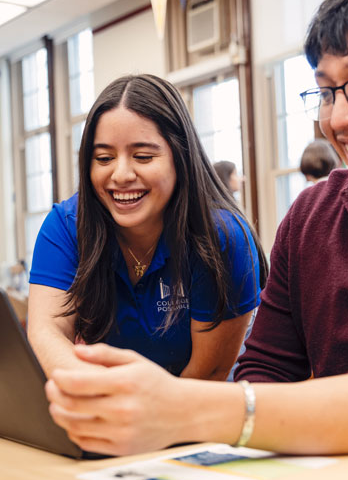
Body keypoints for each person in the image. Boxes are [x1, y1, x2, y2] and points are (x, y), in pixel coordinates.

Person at [44, 0, 348, 458]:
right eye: (327, 92)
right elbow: (264, 368)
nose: (338, 118)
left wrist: (182, 408)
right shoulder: (313, 217)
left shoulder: (223, 235)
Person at [28, 74, 267, 384]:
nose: (121, 174)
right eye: (104, 158)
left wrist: (135, 417)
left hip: (204, 414)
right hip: (112, 409)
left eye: (143, 157)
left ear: (180, 157)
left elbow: (207, 374)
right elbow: (47, 331)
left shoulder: (222, 238)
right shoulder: (66, 226)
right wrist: (91, 395)